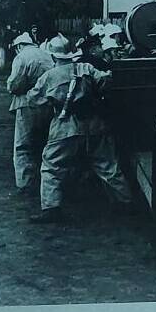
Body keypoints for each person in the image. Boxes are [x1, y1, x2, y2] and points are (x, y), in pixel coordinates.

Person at [26, 34, 133, 223]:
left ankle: (51, 208)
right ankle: (125, 202)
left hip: (64, 125)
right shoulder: (86, 68)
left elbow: (33, 100)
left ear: (53, 57)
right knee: (107, 165)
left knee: (52, 166)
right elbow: (107, 83)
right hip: (94, 124)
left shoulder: (48, 77)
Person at [7, 32, 54, 193]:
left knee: (23, 145)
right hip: (48, 102)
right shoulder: (46, 55)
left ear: (19, 46)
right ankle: (45, 179)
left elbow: (14, 84)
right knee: (44, 141)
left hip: (26, 102)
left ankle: (25, 182)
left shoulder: (22, 57)